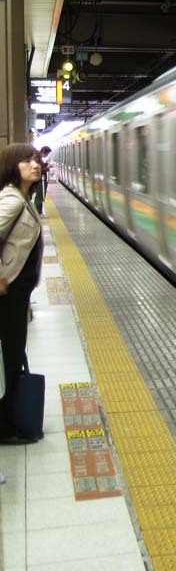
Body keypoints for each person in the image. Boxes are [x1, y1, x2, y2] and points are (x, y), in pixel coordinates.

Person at [0, 144, 44, 444]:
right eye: (26, 161)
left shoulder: (22, 198)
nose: (35, 165)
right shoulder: (12, 200)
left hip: (17, 293)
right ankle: (6, 427)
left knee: (12, 356)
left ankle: (10, 419)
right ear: (12, 165)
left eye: (36, 160)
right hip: (9, 293)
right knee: (10, 358)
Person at [29, 145, 51, 216]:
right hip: (40, 180)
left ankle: (38, 212)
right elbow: (39, 170)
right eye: (47, 154)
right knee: (39, 196)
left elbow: (40, 167)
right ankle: (37, 212)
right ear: (44, 152)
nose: (47, 155)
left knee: (39, 196)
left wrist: (45, 164)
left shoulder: (38, 157)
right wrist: (47, 168)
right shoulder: (37, 158)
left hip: (40, 179)